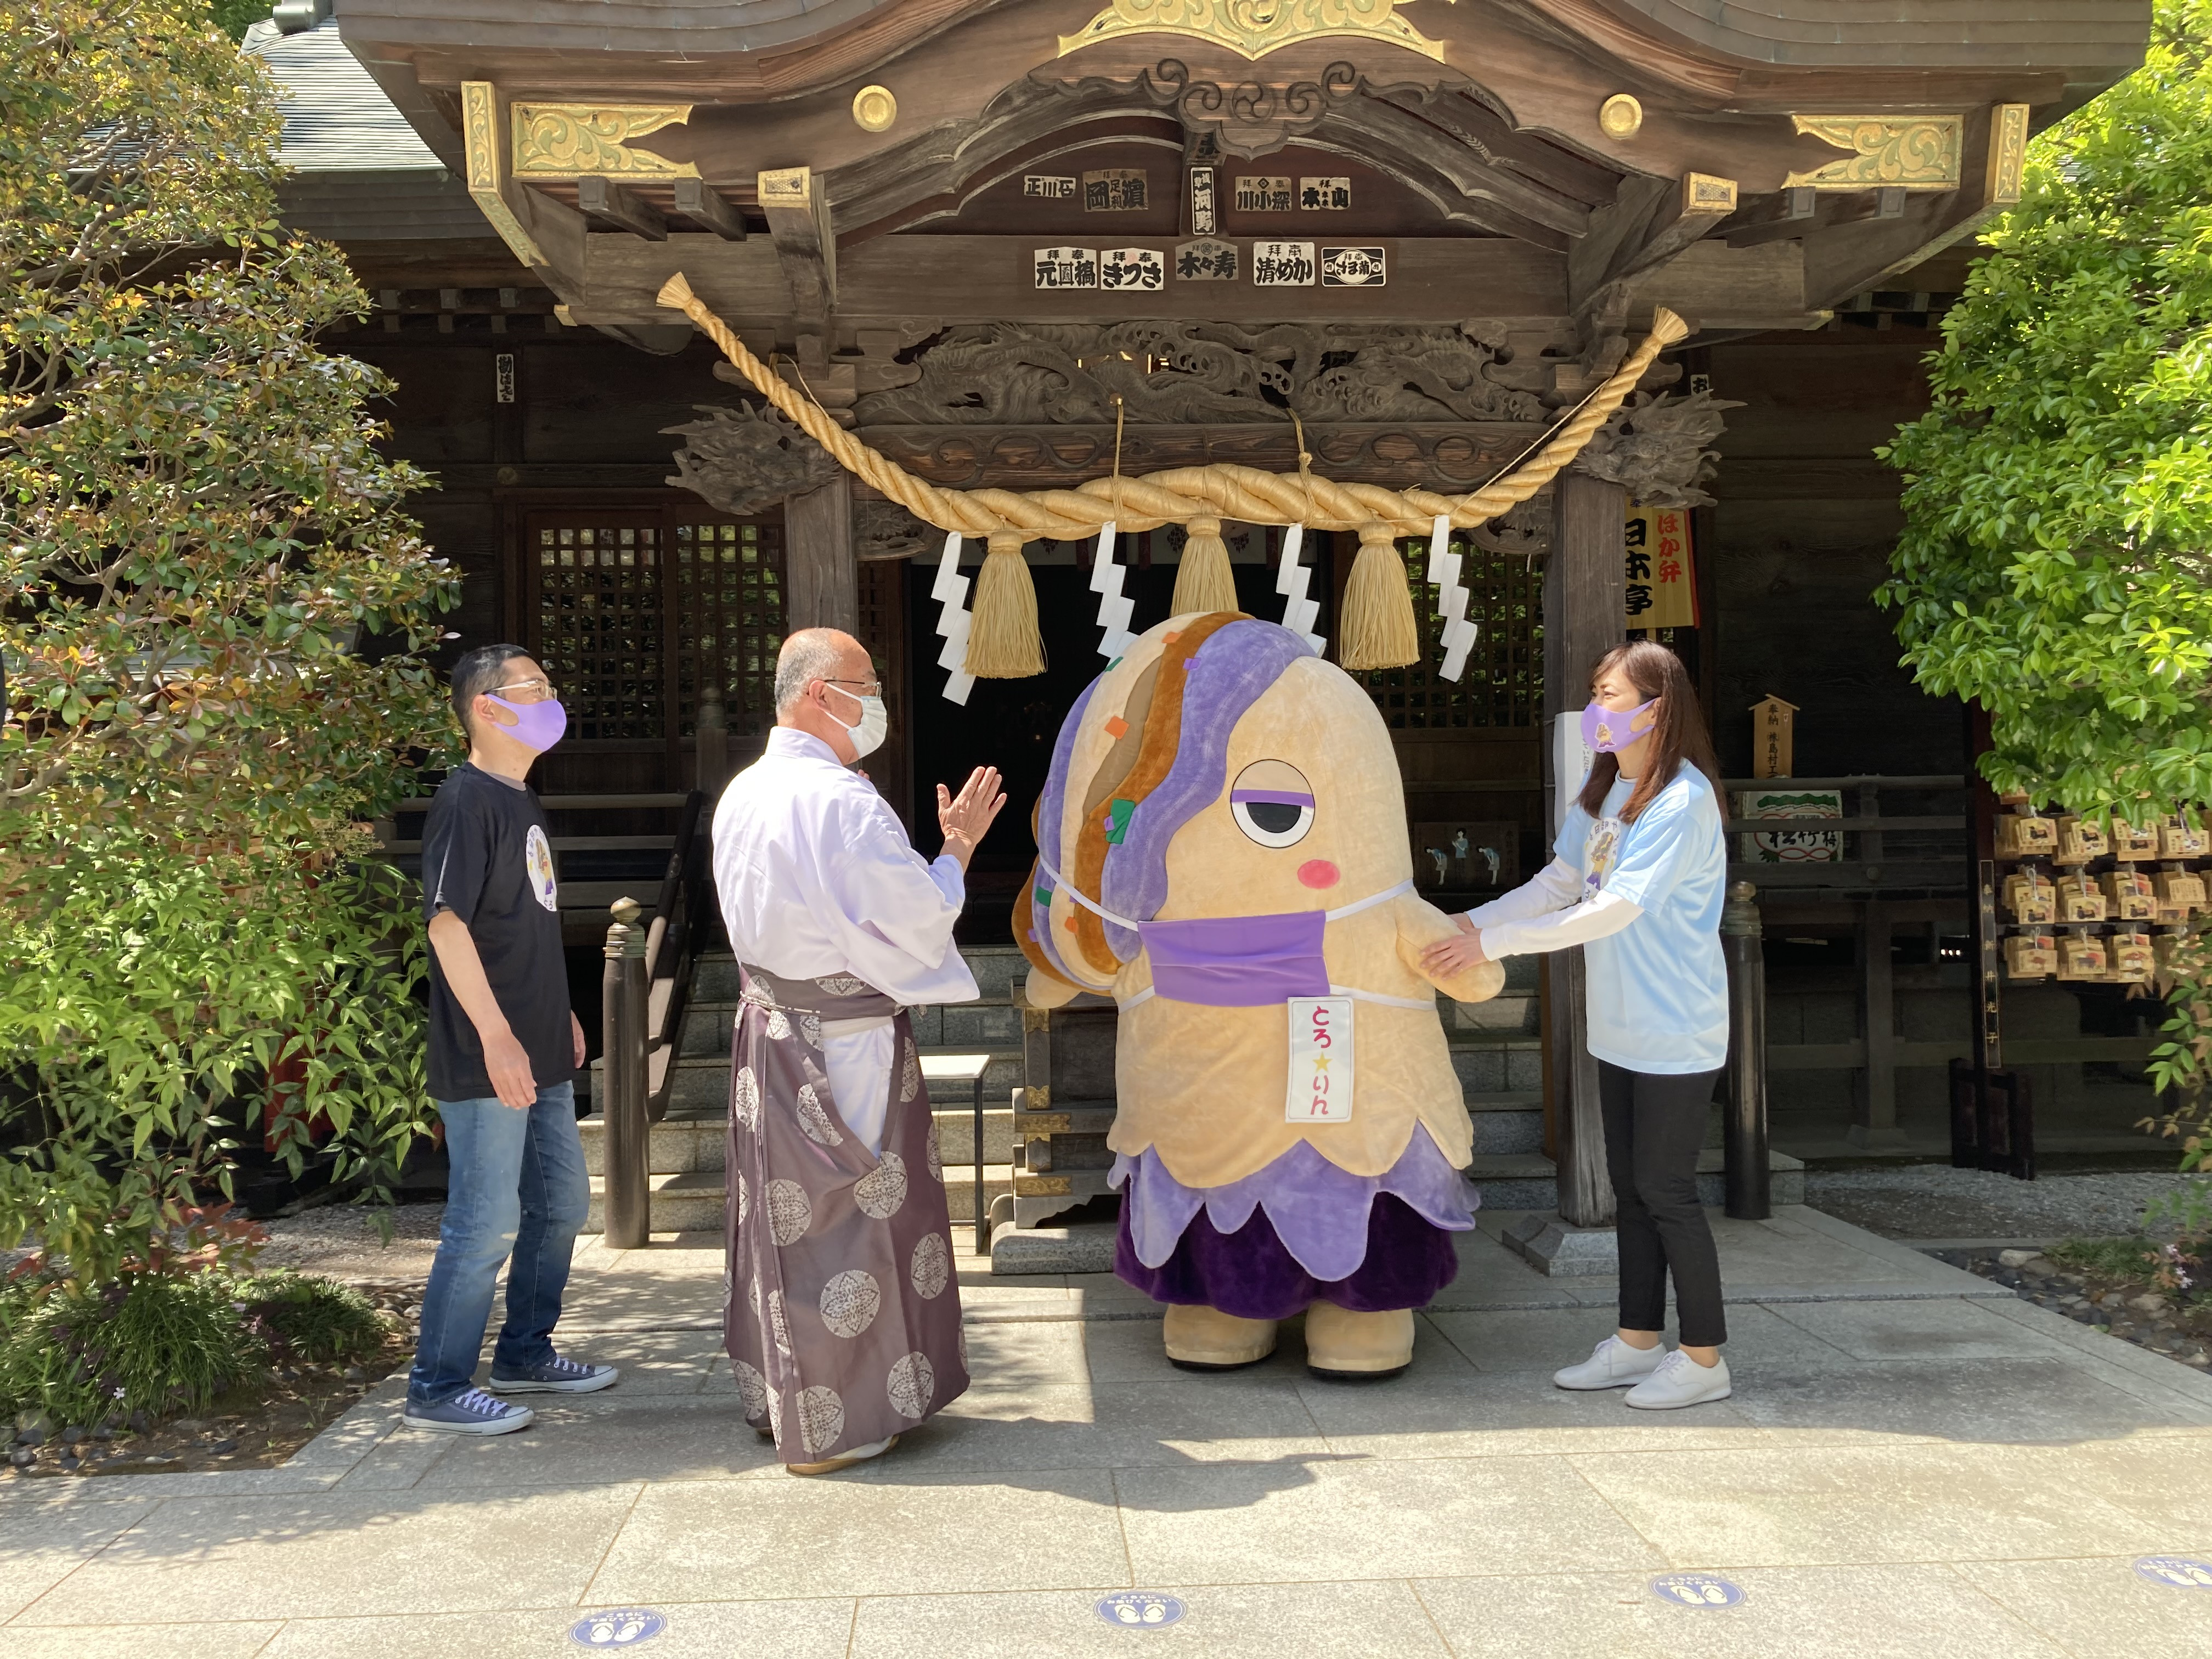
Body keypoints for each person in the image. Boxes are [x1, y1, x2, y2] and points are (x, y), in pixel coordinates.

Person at [712, 628, 1007, 1474]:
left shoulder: (745, 790)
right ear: (817, 694)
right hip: (840, 1037)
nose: (877, 697)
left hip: (770, 1031)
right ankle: (838, 1422)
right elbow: (910, 915)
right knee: (851, 1212)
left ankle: (781, 1398)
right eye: (864, 683)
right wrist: (956, 849)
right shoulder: (841, 801)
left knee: (784, 1219)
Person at [1421, 640, 1733, 1409]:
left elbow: (1613, 909)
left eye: (1613, 694)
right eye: (1595, 693)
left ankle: (1703, 1358)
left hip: (1676, 1026)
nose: (1599, 709)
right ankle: (1635, 1342)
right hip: (1619, 1026)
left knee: (1667, 1190)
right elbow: (1558, 884)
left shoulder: (1681, 802)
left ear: (1658, 707)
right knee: (1630, 1190)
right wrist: (1466, 925)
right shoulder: (1603, 797)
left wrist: (1492, 945)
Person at [404, 645, 617, 1435]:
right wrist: (496, 1036)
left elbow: (521, 924)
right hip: (487, 1055)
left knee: (562, 1204)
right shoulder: (465, 801)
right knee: (485, 1220)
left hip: (538, 1047)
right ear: (488, 708)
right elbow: (447, 922)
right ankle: (436, 1385)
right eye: (536, 689)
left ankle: (525, 1351)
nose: (552, 700)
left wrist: (554, 1014)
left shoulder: (522, 800)